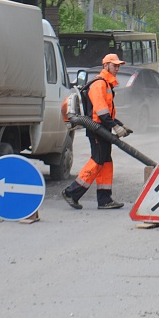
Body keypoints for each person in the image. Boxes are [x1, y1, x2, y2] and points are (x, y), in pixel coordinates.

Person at [61, 53, 132, 210]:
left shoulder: (107, 84)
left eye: (118, 65)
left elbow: (107, 112)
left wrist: (120, 125)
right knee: (98, 160)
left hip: (103, 128)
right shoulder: (99, 84)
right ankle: (71, 192)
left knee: (106, 162)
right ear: (105, 65)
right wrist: (115, 127)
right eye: (114, 65)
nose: (117, 68)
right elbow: (100, 112)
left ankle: (105, 199)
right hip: (97, 129)